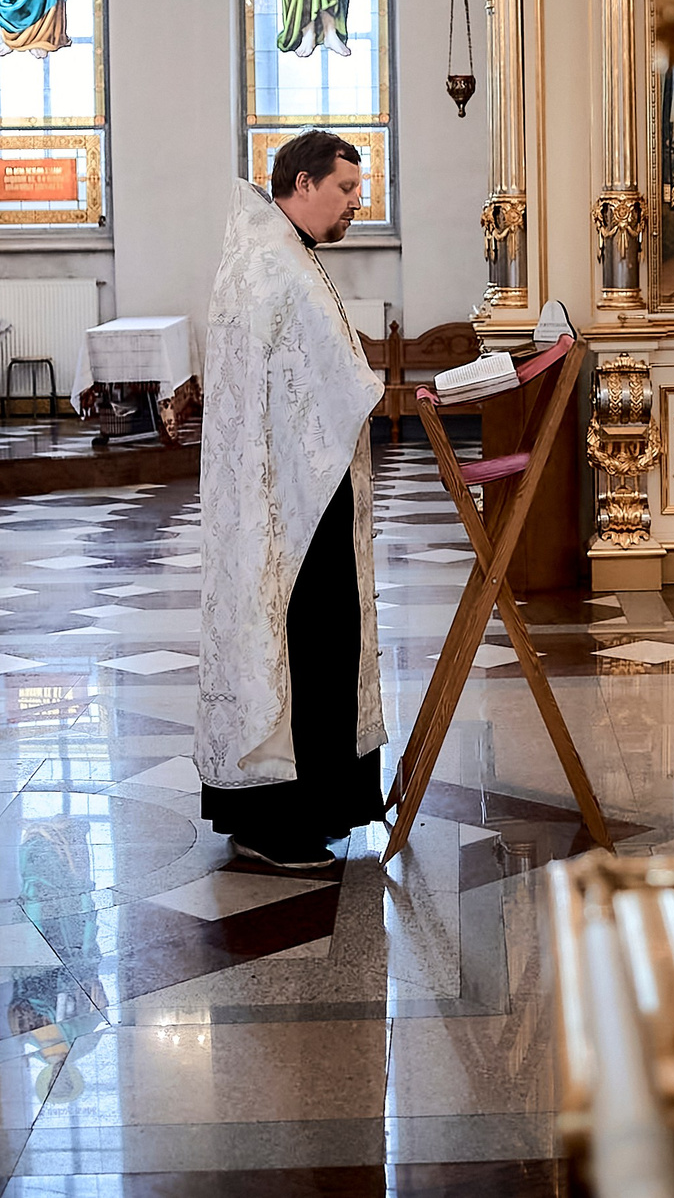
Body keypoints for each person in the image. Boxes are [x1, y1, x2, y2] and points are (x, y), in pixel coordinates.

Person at [197, 129, 387, 870]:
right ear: (302, 184)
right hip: (290, 505)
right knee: (304, 639)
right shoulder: (274, 264)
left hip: (304, 488)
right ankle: (279, 820)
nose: (352, 207)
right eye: (343, 191)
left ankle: (306, 809)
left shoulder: (274, 253)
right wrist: (382, 392)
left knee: (319, 637)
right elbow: (330, 380)